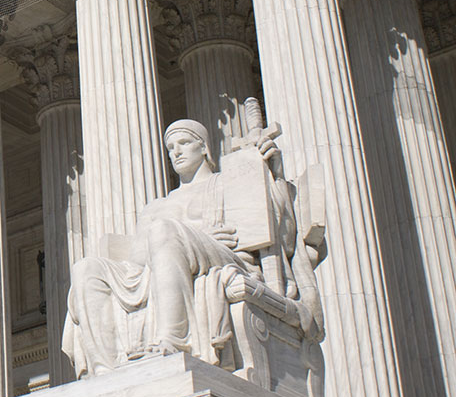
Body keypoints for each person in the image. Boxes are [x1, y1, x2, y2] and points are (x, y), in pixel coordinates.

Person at [63, 117, 322, 377]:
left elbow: (282, 236)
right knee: (86, 268)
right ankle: (104, 369)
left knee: (165, 231)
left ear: (204, 148)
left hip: (224, 257)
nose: (175, 152)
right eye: (170, 147)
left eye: (184, 143)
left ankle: (174, 341)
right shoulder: (156, 207)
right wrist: (195, 234)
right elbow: (139, 257)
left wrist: (274, 176)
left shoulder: (227, 184)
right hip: (157, 264)